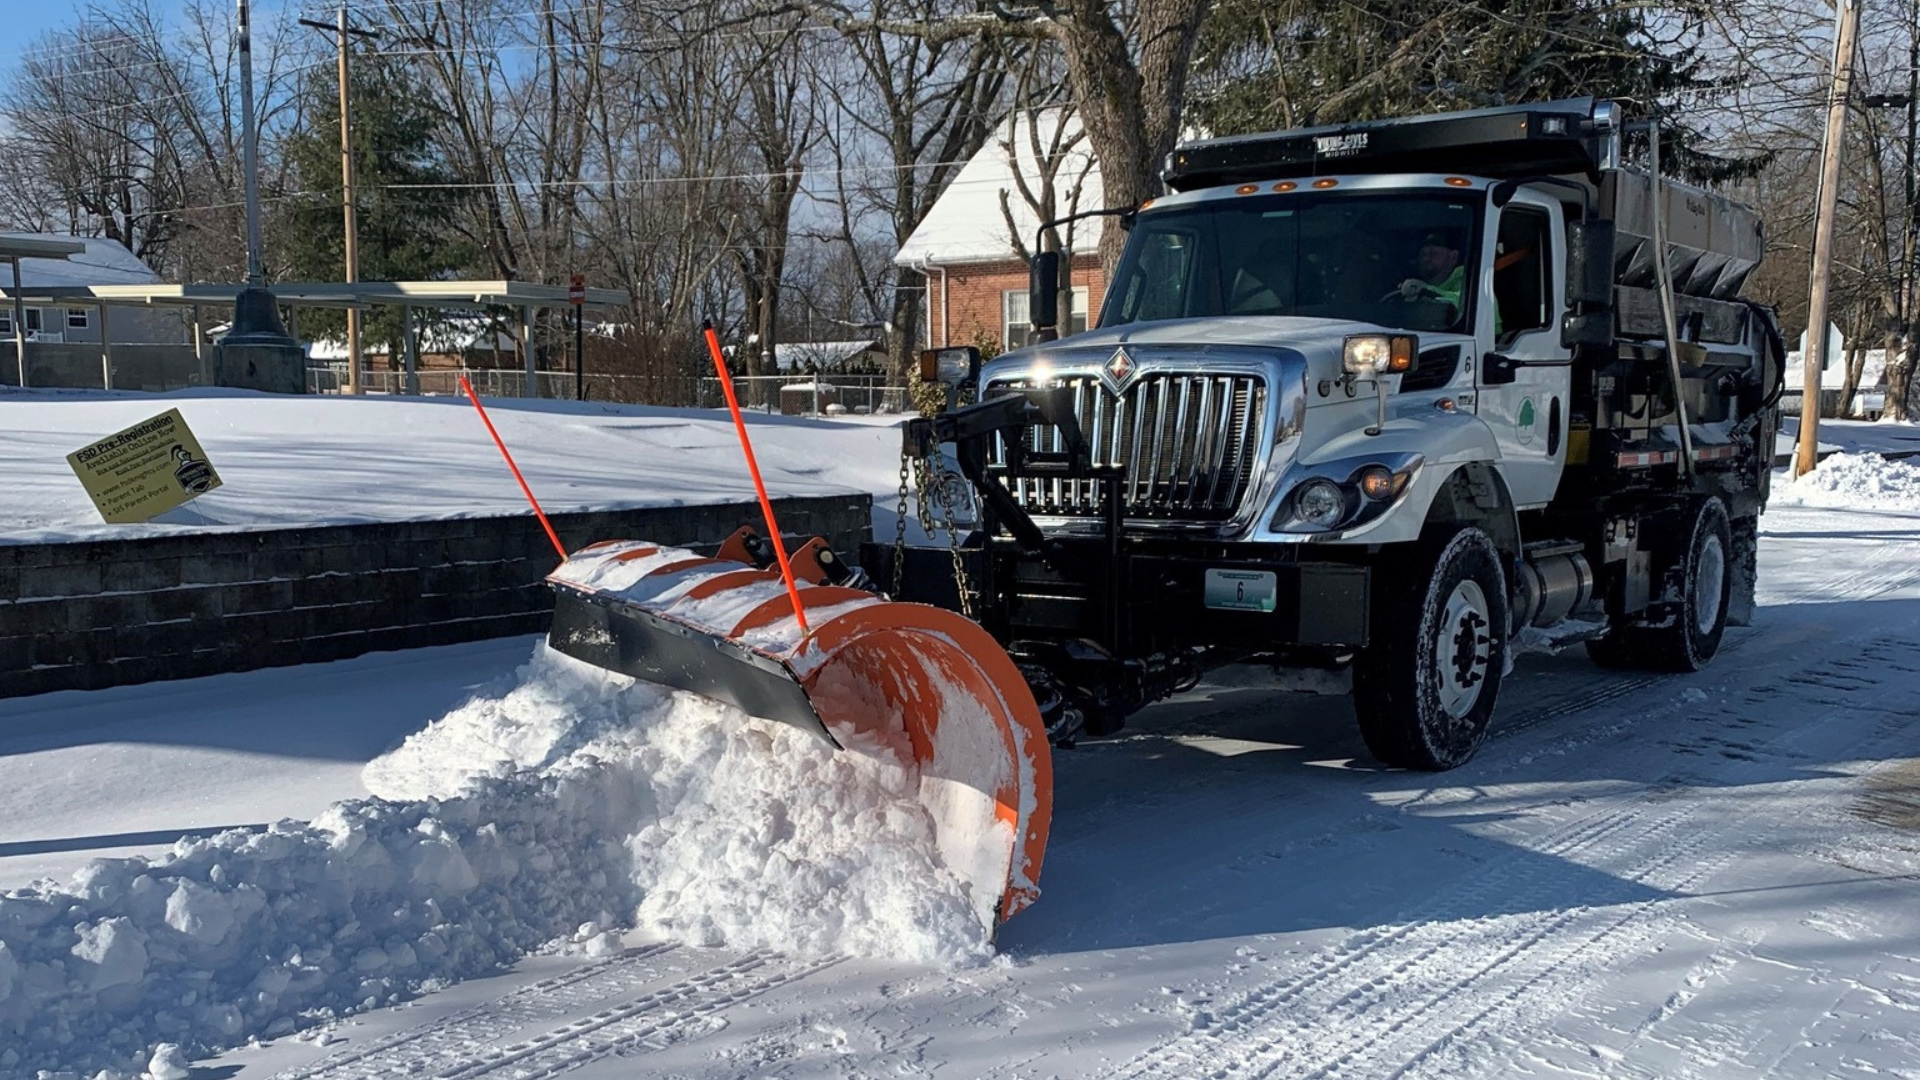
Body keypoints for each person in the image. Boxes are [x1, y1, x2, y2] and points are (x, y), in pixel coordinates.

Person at [1396, 232, 1466, 312]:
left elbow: (1461, 302)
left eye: (1434, 254)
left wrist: (1426, 291)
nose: (1426, 259)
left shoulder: (1463, 276)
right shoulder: (1413, 283)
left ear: (1453, 257)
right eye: (1423, 255)